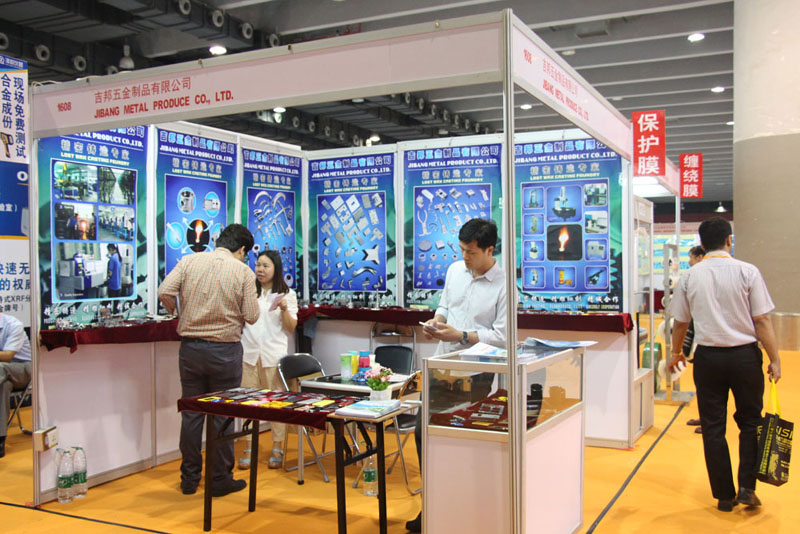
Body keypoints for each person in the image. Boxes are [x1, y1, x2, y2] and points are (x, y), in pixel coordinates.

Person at [668, 217, 781, 512]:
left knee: (713, 426)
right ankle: (747, 488)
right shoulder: (748, 271)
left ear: (702, 244)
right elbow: (762, 319)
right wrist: (775, 358)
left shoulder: (690, 277)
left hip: (708, 359)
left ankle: (724, 495)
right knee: (750, 422)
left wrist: (676, 352)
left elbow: (680, 322)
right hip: (745, 358)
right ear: (729, 240)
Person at [407, 218, 507, 532]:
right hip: (441, 367)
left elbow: (502, 337)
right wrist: (436, 323)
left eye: (471, 252)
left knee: (462, 441)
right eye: (461, 250)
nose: (465, 257)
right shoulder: (454, 271)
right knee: (424, 435)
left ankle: (464, 510)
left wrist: (461, 335)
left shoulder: (504, 284)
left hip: (476, 374)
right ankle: (432, 507)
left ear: (489, 250)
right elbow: (445, 306)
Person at [158, 223, 260, 497]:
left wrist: (177, 313)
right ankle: (219, 479)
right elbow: (252, 316)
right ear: (242, 250)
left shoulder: (189, 261)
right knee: (222, 416)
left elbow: (164, 291)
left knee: (191, 413)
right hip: (225, 351)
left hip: (191, 349)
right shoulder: (243, 272)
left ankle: (189, 479)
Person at [238, 250, 298, 470]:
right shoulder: (248, 292)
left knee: (276, 404)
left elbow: (291, 327)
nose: (260, 270)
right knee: (248, 403)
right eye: (258, 265)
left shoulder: (287, 294)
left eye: (266, 266)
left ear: (276, 268)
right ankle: (248, 446)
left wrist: (284, 309)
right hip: (249, 355)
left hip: (273, 356)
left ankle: (277, 447)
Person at [0, 313, 32, 459]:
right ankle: (1, 439)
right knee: (3, 386)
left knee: (0, 368)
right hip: (4, 376)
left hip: (24, 369)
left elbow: (8, 356)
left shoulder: (14, 325)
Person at [682, 245, 705, 434]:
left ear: (699, 257)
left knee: (709, 387)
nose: (689, 261)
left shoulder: (696, 276)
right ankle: (705, 417)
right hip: (701, 338)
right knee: (703, 385)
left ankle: (708, 421)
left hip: (706, 341)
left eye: (690, 257)